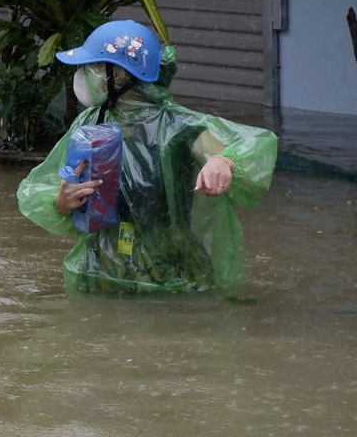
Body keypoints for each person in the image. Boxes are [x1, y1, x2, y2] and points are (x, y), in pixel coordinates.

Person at [17, 20, 277, 295]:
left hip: (168, 269)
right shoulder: (89, 123)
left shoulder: (178, 125)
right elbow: (49, 186)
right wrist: (61, 203)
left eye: (91, 67)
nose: (83, 75)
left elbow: (250, 146)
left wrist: (224, 161)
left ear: (117, 75)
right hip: (101, 267)